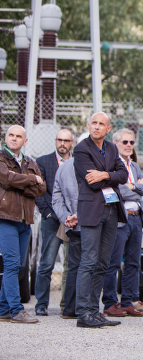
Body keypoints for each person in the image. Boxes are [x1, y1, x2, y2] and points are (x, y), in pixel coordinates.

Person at [74, 112, 129, 328]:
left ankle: (94, 311)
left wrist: (105, 174)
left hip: (111, 211)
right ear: (89, 125)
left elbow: (123, 175)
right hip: (92, 210)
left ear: (108, 128)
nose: (97, 127)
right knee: (88, 261)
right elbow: (92, 182)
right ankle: (83, 313)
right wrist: (111, 174)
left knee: (103, 263)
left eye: (101, 124)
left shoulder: (113, 148)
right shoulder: (81, 149)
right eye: (94, 123)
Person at [101, 129, 143, 318]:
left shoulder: (135, 166)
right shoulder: (111, 165)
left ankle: (128, 302)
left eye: (131, 142)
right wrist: (136, 188)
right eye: (125, 142)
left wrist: (134, 186)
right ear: (115, 144)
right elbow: (117, 191)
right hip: (120, 219)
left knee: (133, 262)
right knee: (113, 262)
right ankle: (111, 303)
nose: (129, 145)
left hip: (137, 218)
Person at [0, 125, 46, 324]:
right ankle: (17, 310)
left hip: (25, 221)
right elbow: (7, 179)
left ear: (24, 141)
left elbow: (41, 188)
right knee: (11, 264)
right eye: (11, 135)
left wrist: (23, 186)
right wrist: (29, 179)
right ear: (6, 137)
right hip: (6, 219)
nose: (14, 138)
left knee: (18, 266)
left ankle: (3, 309)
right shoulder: (1, 158)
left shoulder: (29, 162)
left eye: (18, 136)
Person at [34, 128, 74, 316]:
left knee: (70, 263)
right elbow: (39, 192)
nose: (62, 144)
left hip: (72, 220)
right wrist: (50, 214)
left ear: (71, 142)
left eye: (66, 140)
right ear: (55, 140)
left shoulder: (77, 164)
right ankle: (41, 304)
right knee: (47, 263)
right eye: (59, 140)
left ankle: (66, 304)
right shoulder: (43, 162)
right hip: (52, 220)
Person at [52, 156, 81, 320]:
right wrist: (77, 216)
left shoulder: (63, 167)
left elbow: (56, 197)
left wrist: (66, 217)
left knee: (72, 266)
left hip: (71, 224)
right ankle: (82, 308)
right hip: (87, 224)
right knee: (87, 266)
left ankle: (69, 308)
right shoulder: (92, 166)